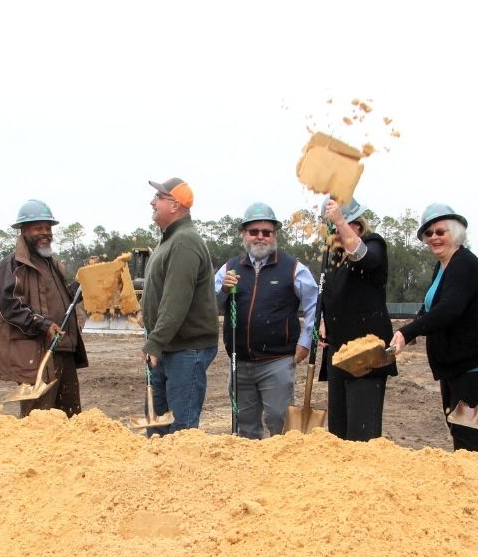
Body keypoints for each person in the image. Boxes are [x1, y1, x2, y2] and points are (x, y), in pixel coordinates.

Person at [389, 204, 478, 452]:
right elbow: (432, 307)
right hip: (453, 365)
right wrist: (406, 331)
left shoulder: (463, 265)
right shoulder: (443, 265)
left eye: (440, 231)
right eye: (429, 233)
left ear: (455, 232)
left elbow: (449, 309)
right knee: (456, 427)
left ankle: (472, 484)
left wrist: (410, 331)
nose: (434, 238)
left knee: (465, 433)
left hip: (471, 365)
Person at [215, 202, 319, 438]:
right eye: (254, 232)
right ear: (244, 235)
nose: (260, 237)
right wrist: (222, 290)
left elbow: (315, 305)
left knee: (279, 423)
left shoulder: (293, 269)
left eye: (266, 232)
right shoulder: (230, 269)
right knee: (245, 426)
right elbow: (210, 304)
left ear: (274, 236)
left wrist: (305, 342)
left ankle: (284, 472)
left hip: (277, 361)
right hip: (238, 361)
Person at [0, 199, 87, 418]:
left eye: (48, 228)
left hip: (63, 351)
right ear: (23, 230)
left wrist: (86, 283)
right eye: (38, 228)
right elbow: (10, 307)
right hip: (36, 355)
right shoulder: (11, 266)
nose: (45, 232)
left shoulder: (52, 264)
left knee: (70, 416)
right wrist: (42, 325)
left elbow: (65, 299)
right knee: (39, 419)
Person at [142, 177, 219, 435]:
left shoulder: (184, 241)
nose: (152, 202)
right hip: (169, 348)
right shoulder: (169, 241)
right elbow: (161, 291)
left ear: (175, 205)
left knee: (180, 432)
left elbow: (177, 300)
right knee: (158, 427)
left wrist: (155, 341)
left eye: (159, 198)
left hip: (186, 350)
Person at [320, 197, 396, 441]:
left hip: (366, 352)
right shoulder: (334, 257)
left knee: (362, 434)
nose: (336, 234)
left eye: (341, 227)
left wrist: (339, 220)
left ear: (358, 226)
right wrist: (324, 320)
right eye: (331, 229)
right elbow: (329, 294)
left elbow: (363, 257)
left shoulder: (374, 244)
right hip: (338, 352)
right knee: (339, 433)